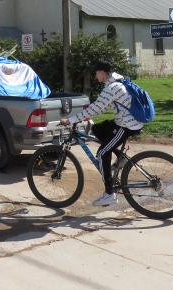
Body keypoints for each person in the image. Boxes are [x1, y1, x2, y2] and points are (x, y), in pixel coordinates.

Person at [60, 61, 143, 207]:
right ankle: (120, 157)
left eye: (96, 72)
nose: (95, 75)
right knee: (97, 129)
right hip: (125, 120)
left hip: (127, 125)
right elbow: (102, 107)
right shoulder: (116, 82)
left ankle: (110, 194)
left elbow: (97, 108)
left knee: (102, 152)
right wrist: (87, 114)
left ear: (102, 72)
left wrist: (72, 119)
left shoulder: (112, 87)